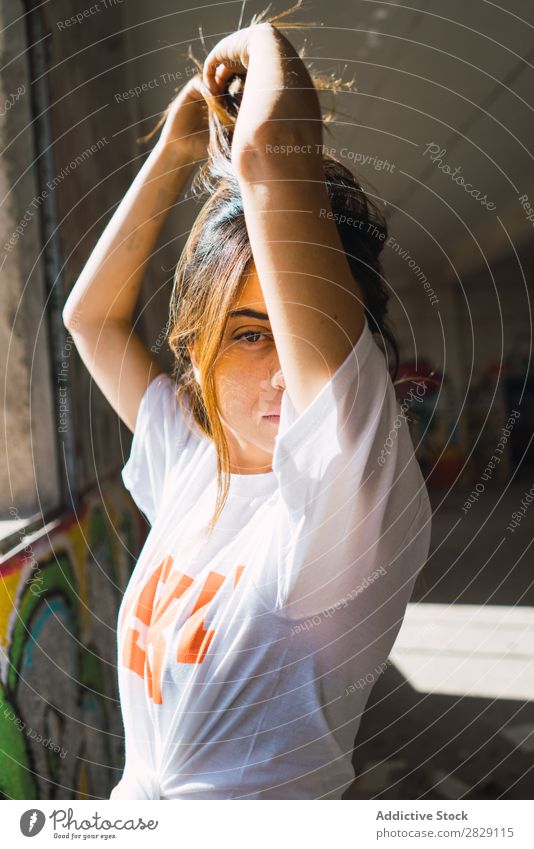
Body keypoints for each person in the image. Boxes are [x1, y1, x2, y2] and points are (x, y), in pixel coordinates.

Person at [63, 19, 432, 801]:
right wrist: (176, 150)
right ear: (199, 348)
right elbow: (88, 319)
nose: (282, 378)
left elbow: (267, 155)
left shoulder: (347, 487)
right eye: (246, 334)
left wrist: (258, 39)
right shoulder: (193, 466)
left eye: (296, 340)